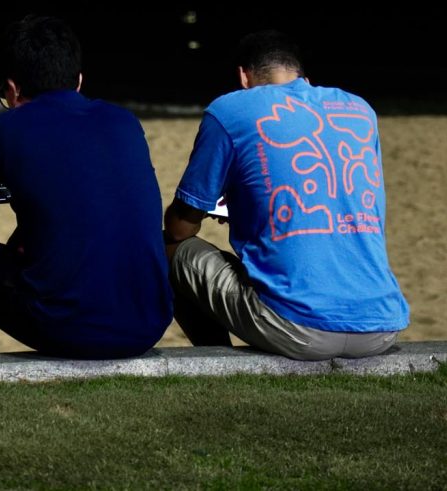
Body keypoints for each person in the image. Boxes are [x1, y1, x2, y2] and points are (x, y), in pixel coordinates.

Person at [0, 15, 173, 358]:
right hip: (148, 324)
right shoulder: (124, 122)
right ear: (79, 81)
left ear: (12, 90)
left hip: (72, 329)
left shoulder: (4, 130)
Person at [163, 29, 409, 360]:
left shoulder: (230, 110)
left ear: (243, 77)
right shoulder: (359, 109)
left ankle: (214, 361)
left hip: (298, 328)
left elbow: (182, 227)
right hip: (381, 324)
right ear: (303, 76)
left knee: (169, 246)